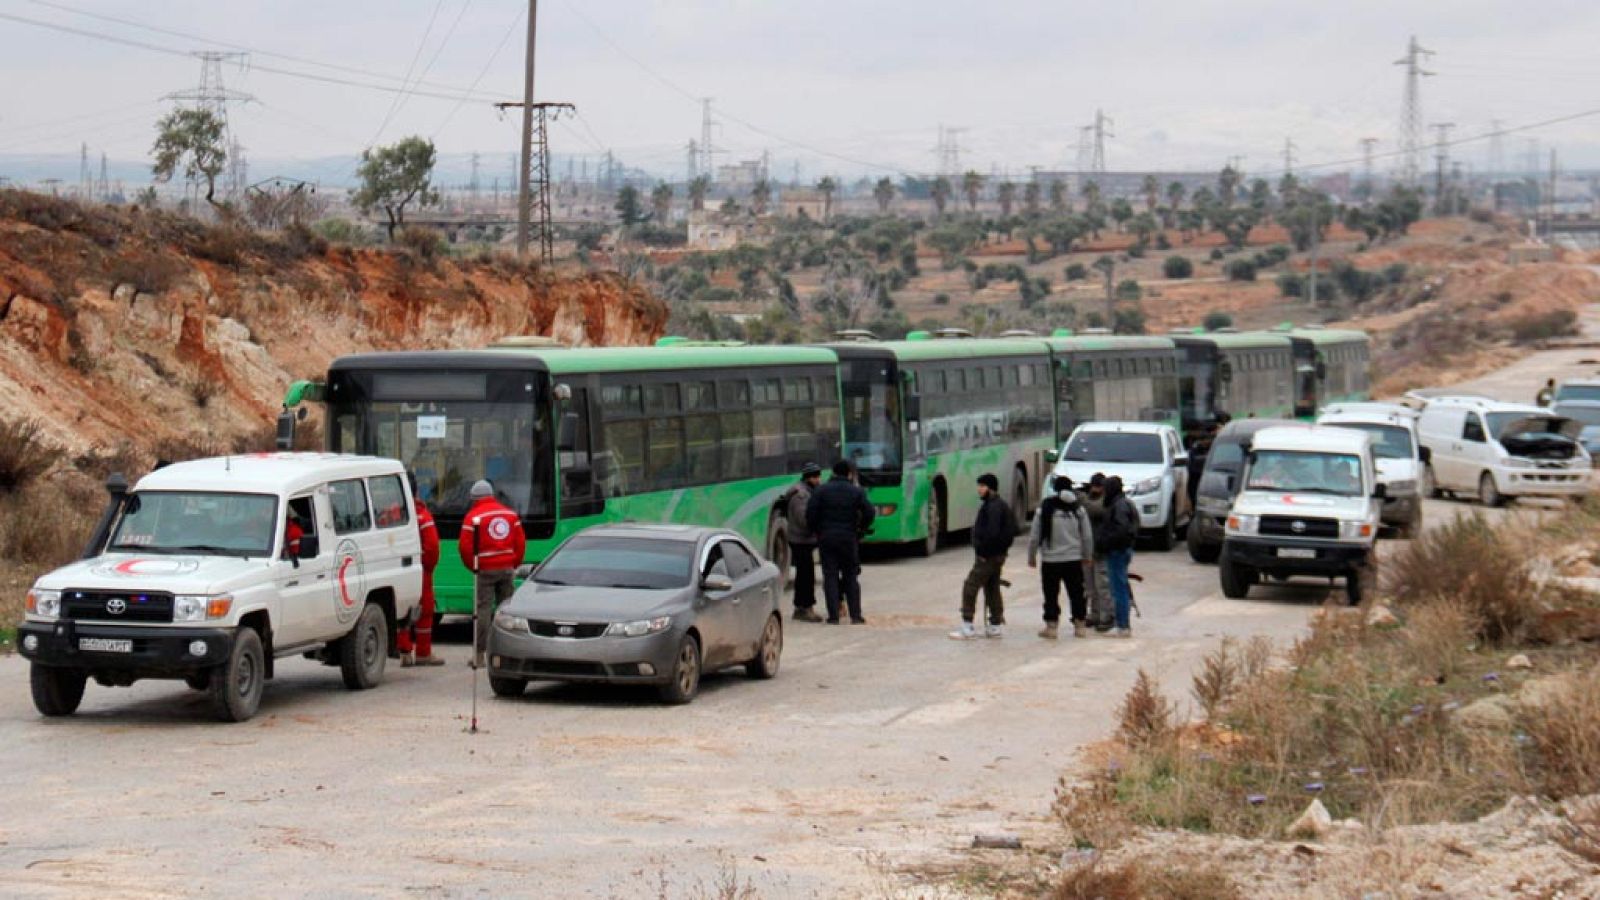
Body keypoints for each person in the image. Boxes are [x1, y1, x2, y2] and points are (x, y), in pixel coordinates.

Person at [458, 480, 526, 668]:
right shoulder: (510, 515)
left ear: (474, 499)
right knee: (507, 610)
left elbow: (464, 547)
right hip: (506, 568)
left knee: (483, 611)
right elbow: (520, 543)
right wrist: (514, 563)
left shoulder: (472, 517)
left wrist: (474, 566)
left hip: (485, 569)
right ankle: (509, 652)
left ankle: (480, 655)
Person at [805, 460, 875, 624]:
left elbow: (810, 514)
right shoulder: (856, 491)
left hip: (827, 538)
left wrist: (818, 530)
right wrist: (861, 529)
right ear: (849, 474)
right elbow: (870, 512)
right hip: (849, 538)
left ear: (834, 473)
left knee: (830, 576)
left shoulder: (821, 491)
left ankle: (833, 616)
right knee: (851, 575)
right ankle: (856, 616)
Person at [1028, 475, 1095, 639]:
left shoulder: (1045, 508)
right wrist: (1087, 555)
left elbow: (1035, 536)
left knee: (1050, 594)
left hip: (1050, 560)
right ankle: (1080, 626)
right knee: (1076, 593)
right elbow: (1087, 536)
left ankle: (1051, 627)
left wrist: (1032, 556)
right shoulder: (1078, 509)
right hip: (1073, 559)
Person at [951, 473, 1016, 640]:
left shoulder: (993, 507)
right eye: (979, 485)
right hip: (997, 555)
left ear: (990, 488)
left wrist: (984, 553)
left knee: (970, 586)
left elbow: (992, 533)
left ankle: (967, 626)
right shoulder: (998, 505)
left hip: (988, 556)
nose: (979, 489)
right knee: (992, 588)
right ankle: (995, 625)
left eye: (982, 486)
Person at [398, 474, 443, 668]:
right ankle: (423, 652)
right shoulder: (422, 515)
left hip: (398, 569)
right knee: (424, 610)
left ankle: (405, 651)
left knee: (402, 608)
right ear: (415, 490)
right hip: (420, 569)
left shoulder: (392, 514)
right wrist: (428, 567)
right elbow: (432, 546)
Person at [1098, 475, 1141, 639]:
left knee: (1118, 589)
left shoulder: (1119, 506)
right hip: (1122, 549)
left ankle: (1123, 626)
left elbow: (1121, 529)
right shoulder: (1125, 503)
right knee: (1119, 587)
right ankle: (1121, 624)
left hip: (1118, 551)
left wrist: (1106, 542)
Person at [784, 463, 823, 622]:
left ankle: (803, 607)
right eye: (816, 477)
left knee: (805, 575)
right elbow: (803, 520)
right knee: (806, 577)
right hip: (801, 540)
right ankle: (805, 608)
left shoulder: (806, 491)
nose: (819, 480)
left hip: (804, 540)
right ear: (809, 477)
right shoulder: (801, 495)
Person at [1083, 473, 1114, 632]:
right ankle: (1094, 614)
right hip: (1089, 551)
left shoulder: (1106, 502)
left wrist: (1082, 500)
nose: (1096, 489)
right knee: (1090, 586)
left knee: (1102, 586)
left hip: (1101, 550)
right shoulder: (1089, 500)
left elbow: (1097, 510)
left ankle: (1106, 616)